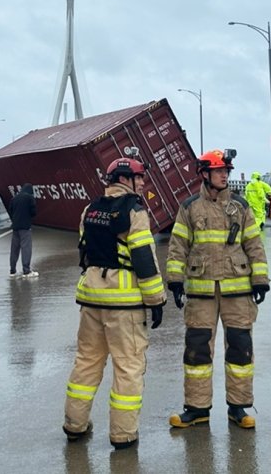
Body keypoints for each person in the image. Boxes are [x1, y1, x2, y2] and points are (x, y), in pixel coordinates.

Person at [62, 155, 166, 450]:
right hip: (124, 304)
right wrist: (156, 300)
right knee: (128, 367)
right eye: (139, 178)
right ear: (124, 179)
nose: (143, 183)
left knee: (86, 362)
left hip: (91, 298)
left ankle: (74, 425)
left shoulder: (90, 209)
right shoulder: (134, 211)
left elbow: (85, 250)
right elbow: (144, 259)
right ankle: (123, 434)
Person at [166, 149, 270, 430]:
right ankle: (196, 409)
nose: (225, 175)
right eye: (219, 171)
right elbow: (177, 246)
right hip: (201, 294)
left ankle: (238, 407)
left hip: (238, 292)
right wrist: (175, 280)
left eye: (226, 171)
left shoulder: (240, 206)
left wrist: (261, 279)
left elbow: (254, 245)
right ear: (205, 174)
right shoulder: (190, 207)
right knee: (197, 351)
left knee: (240, 350)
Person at [9, 183, 38, 278]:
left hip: (15, 227)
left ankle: (12, 270)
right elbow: (33, 212)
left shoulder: (14, 198)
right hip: (25, 227)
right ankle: (26, 270)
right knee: (26, 248)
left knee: (14, 249)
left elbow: (10, 211)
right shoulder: (30, 198)